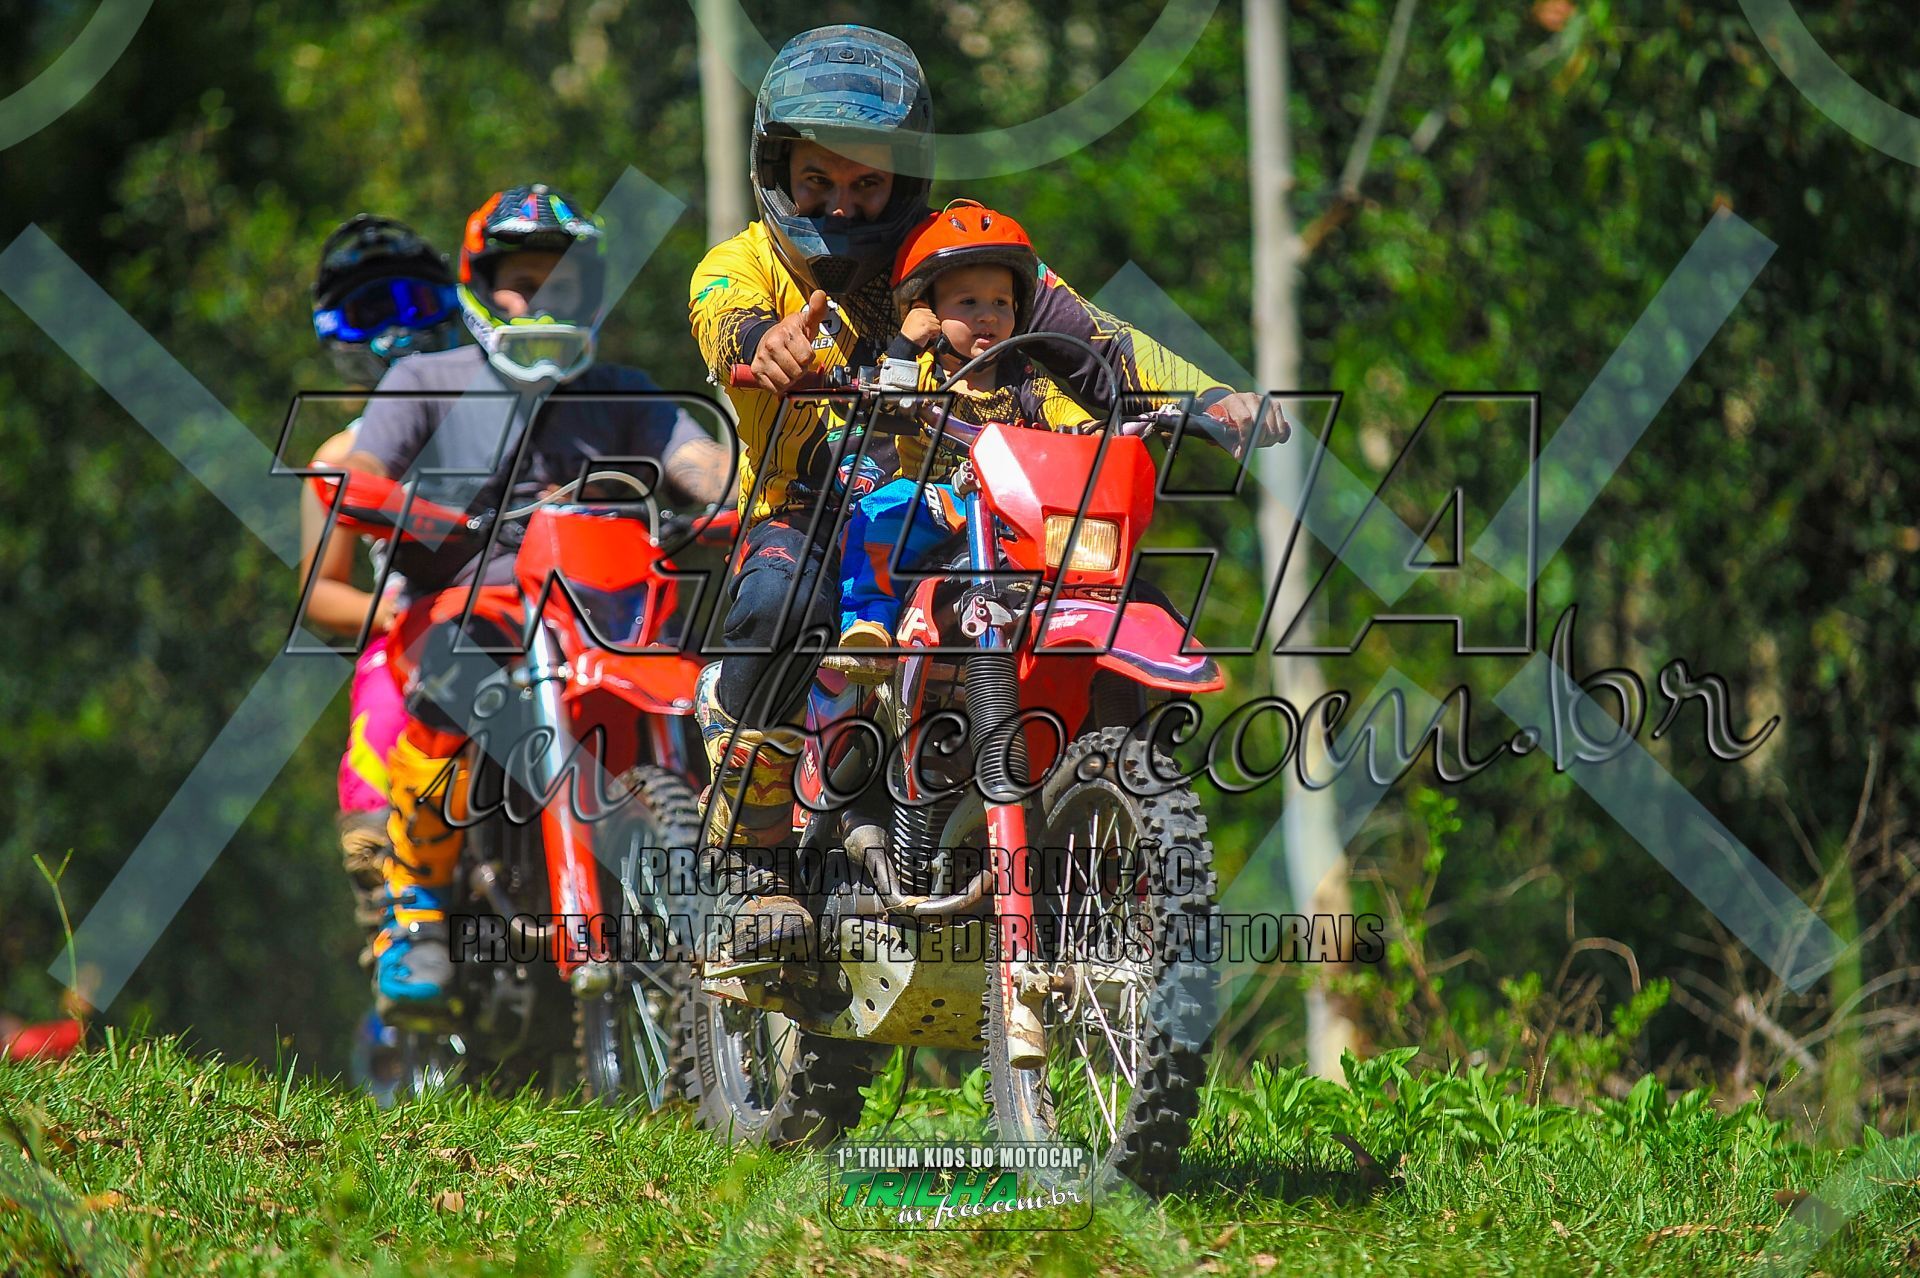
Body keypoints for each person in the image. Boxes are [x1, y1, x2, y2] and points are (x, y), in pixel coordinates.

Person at [687, 24, 1287, 961]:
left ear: (905, 176)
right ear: (777, 173)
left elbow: (1096, 341)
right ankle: (757, 869)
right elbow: (725, 318)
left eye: (866, 183)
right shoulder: (743, 264)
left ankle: (1110, 850)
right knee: (778, 600)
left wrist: (1211, 400)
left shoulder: (965, 259)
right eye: (817, 181)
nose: (841, 204)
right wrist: (767, 344)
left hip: (983, 510)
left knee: (1120, 591)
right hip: (816, 516)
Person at [342, 184, 731, 1020]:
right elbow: (362, 475)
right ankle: (418, 913)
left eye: (562, 284)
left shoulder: (620, 390)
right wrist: (404, 506)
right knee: (452, 679)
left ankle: (700, 888)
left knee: (706, 689)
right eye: (524, 283)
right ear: (482, 287)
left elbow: (695, 458)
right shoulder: (426, 378)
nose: (542, 301)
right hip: (466, 601)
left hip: (602, 608)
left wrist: (733, 489)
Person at [297, 215, 463, 959]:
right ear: (342, 335)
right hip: (415, 632)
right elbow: (320, 593)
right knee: (381, 722)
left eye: (413, 303)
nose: (398, 328)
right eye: (372, 311)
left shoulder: (506, 419)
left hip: (527, 614)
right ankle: (392, 913)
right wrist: (392, 614)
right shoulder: (340, 455)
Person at [835, 200, 1096, 670]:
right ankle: (868, 620)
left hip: (1013, 509)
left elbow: (1066, 415)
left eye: (1001, 303)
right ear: (927, 311)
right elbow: (884, 400)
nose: (987, 316)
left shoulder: (1024, 379)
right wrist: (906, 344)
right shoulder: (924, 371)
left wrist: (1092, 432)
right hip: (936, 499)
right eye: (968, 303)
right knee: (879, 511)